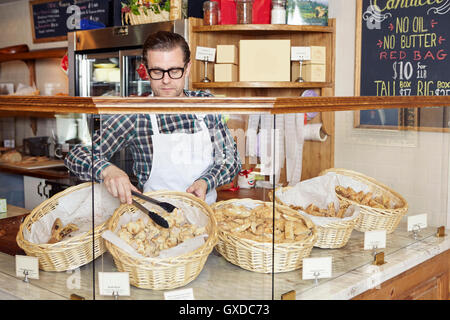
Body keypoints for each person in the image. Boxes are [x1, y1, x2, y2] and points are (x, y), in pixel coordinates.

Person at [65, 31, 241, 205]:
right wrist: (107, 170)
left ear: (187, 69)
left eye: (174, 71)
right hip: (156, 223)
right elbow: (77, 154)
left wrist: (206, 182)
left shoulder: (206, 104)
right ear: (146, 70)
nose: (165, 80)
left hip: (205, 217)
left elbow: (229, 161)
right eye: (157, 71)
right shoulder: (136, 115)